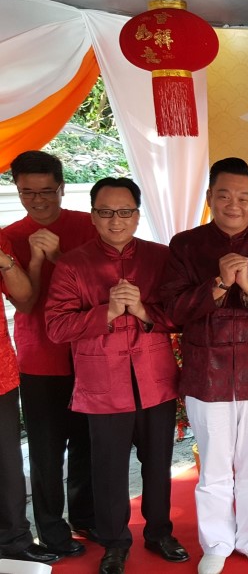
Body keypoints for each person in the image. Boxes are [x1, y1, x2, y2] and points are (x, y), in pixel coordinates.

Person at [161, 158, 248, 574]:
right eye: (223, 195)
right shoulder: (186, 245)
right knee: (216, 464)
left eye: (243, 197)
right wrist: (219, 285)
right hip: (208, 373)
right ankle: (218, 542)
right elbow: (171, 311)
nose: (233, 204)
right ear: (209, 198)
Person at [45, 178, 189, 574]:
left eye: (125, 211)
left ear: (138, 216)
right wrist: (106, 312)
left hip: (155, 379)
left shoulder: (161, 258)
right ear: (93, 216)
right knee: (107, 469)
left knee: (159, 463)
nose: (116, 220)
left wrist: (142, 312)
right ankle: (115, 542)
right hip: (102, 385)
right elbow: (56, 327)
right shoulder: (74, 264)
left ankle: (159, 532)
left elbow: (180, 314)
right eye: (106, 212)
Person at [3, 150, 96, 558]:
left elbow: (99, 287)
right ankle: (52, 533)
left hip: (90, 354)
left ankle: (87, 518)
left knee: (87, 442)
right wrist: (38, 260)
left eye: (46, 191)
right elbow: (25, 303)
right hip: (39, 356)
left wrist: (59, 256)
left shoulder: (88, 225)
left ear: (61, 186)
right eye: (27, 192)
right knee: (45, 450)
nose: (38, 201)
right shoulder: (8, 236)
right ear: (17, 190)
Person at [0, 230, 60, 566]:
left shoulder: (1, 243)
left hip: (0, 373)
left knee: (6, 464)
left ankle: (13, 539)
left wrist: (3, 260)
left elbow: (24, 299)